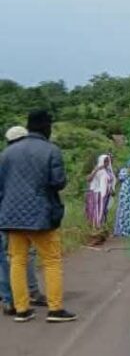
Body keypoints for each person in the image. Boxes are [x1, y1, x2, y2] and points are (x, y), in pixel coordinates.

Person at [0, 110, 77, 323]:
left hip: (12, 216)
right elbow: (58, 182)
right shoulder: (51, 150)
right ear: (46, 127)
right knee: (51, 261)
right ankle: (55, 310)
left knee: (17, 261)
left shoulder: (7, 153)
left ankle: (22, 310)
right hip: (41, 216)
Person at [0, 126, 47, 315]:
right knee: (24, 255)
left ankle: (10, 299)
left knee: (8, 257)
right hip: (23, 215)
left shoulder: (5, 158)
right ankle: (29, 293)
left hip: (7, 214)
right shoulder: (31, 158)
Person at [84, 154, 116, 246]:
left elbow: (110, 182)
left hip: (105, 196)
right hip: (97, 195)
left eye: (108, 161)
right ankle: (95, 236)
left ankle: (101, 235)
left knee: (102, 215)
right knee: (96, 215)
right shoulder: (98, 170)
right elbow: (89, 179)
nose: (107, 163)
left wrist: (111, 190)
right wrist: (97, 169)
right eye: (105, 161)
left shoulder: (108, 170)